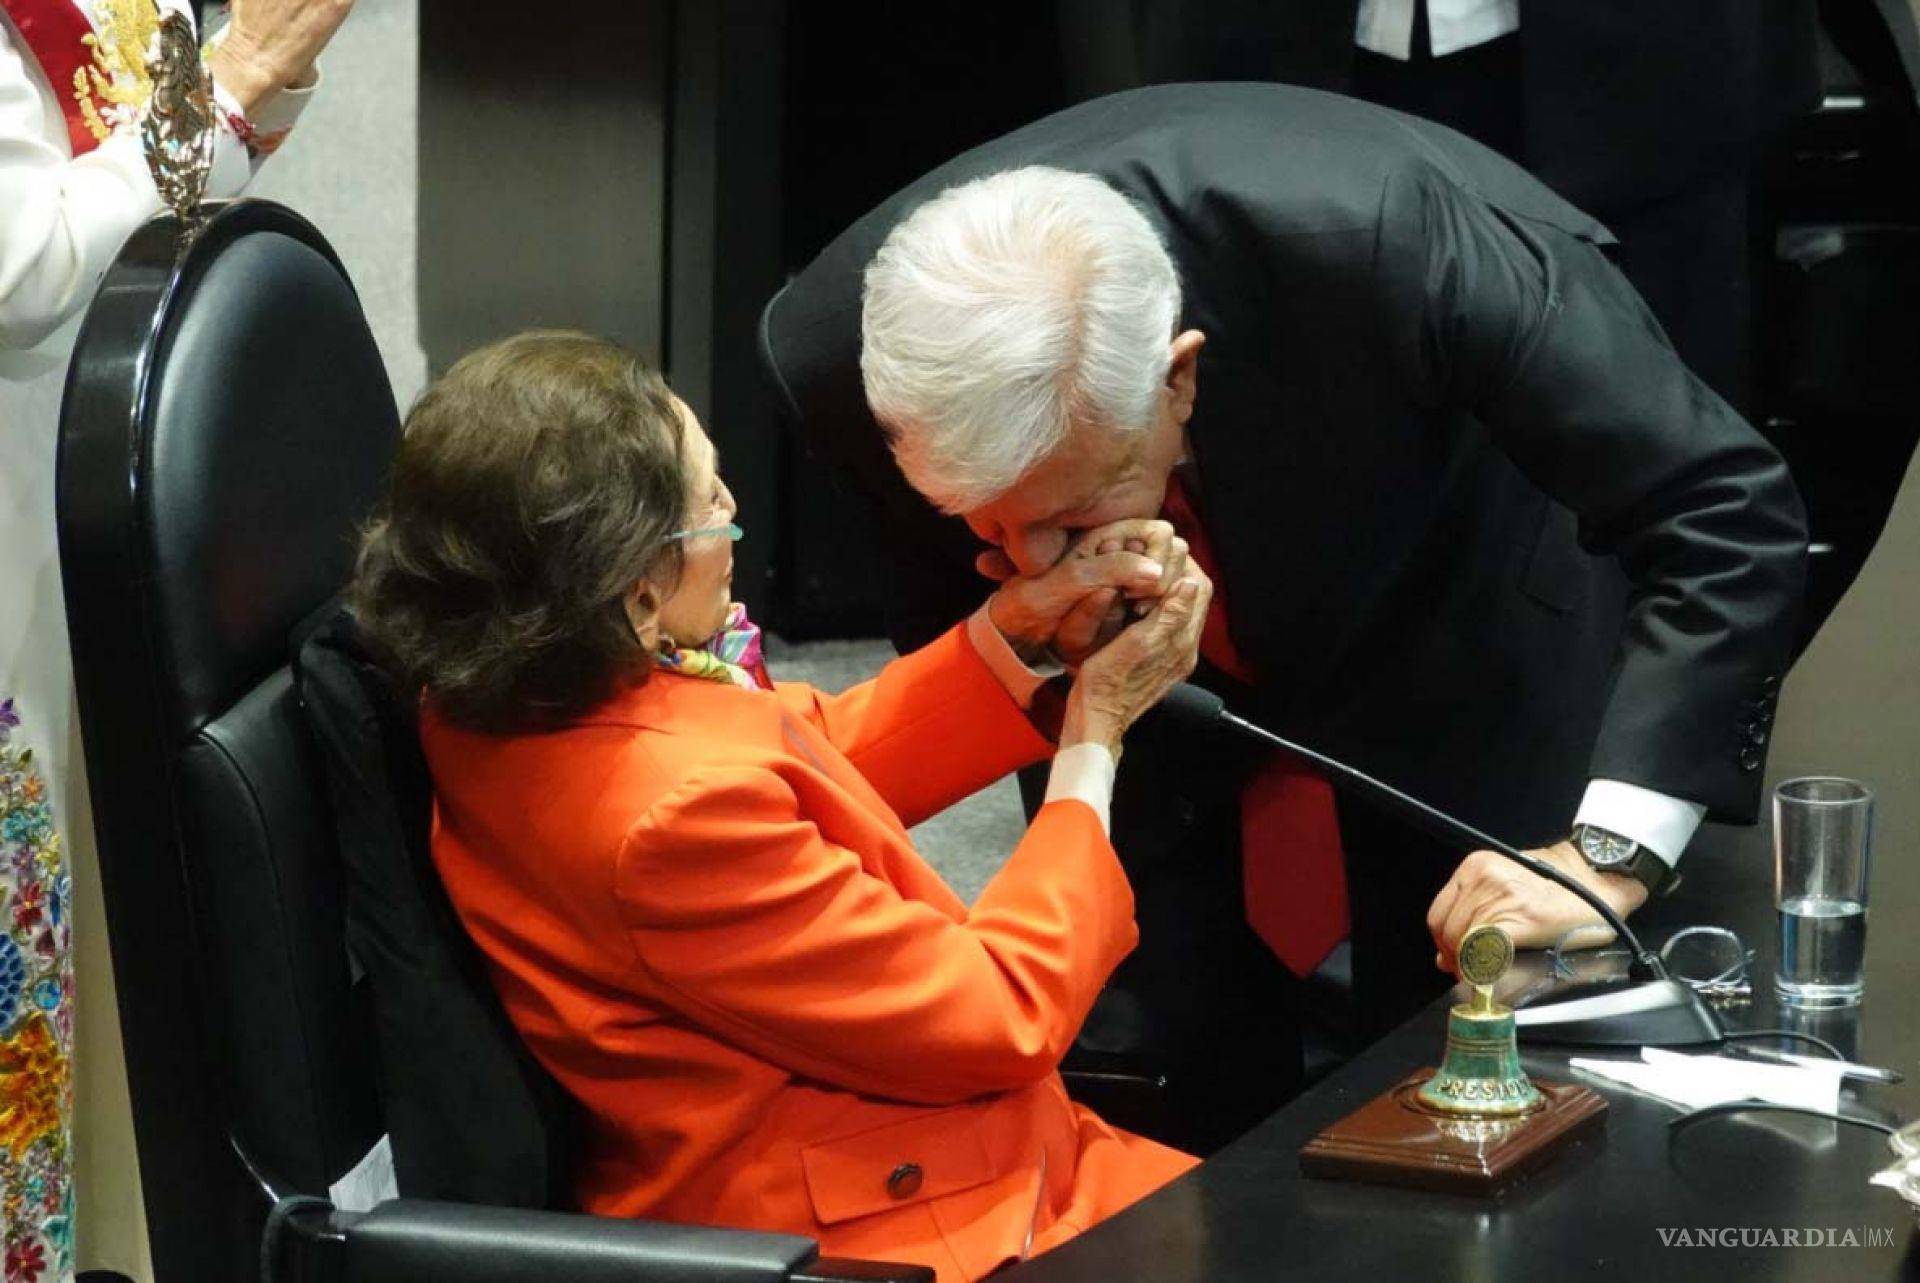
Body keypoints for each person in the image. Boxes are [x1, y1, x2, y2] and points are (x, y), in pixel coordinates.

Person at [762, 84, 1810, 1151]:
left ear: (1178, 379)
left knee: (1474, 1070)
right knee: (1164, 1089)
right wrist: (1038, 646)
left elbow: (1723, 508)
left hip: (1453, 604)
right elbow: (959, 636)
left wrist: (1609, 853)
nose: (1033, 555)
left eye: (1074, 512)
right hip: (1153, 717)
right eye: (988, 520)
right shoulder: (840, 352)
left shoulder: (1401, 235)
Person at [349, 331, 1205, 1283]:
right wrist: (1096, 737)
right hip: (897, 1228)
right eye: (707, 501)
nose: (732, 510)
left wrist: (1022, 634)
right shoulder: (671, 820)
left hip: (913, 1148)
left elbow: (800, 753)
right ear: (636, 597)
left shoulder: (497, 676)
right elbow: (999, 1012)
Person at [1, 1, 349, 1275]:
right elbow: (22, 274)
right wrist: (241, 74)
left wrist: (259, 79)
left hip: (77, 503)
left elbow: (150, 145)